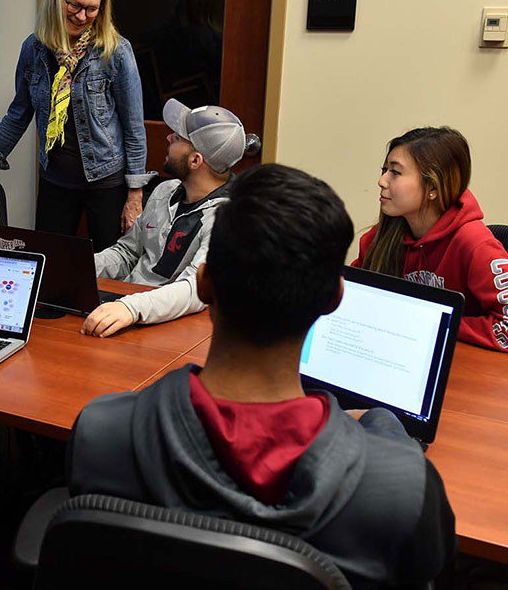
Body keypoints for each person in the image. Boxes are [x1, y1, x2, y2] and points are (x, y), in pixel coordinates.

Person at [68, 164, 457, 587]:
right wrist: (383, 427)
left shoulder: (101, 433)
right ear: (335, 298)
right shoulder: (403, 488)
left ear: (203, 284)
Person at [0, 0, 150, 252]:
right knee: (49, 265)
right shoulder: (34, 49)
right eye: (73, 5)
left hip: (106, 182)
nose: (81, 16)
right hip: (56, 181)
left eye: (92, 8)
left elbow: (133, 127)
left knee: (108, 273)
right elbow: (18, 114)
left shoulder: (116, 51)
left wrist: (135, 195)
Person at [81, 98, 258, 337]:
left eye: (177, 138)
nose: (168, 138)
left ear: (196, 160)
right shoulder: (166, 191)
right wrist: (76, 270)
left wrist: (132, 307)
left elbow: (193, 290)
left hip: (168, 323)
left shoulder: (230, 219)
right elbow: (128, 253)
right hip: (125, 307)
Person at [352, 127, 508, 352]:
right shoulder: (380, 238)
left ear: (432, 188)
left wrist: (434, 325)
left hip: (463, 370)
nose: (381, 181)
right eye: (385, 170)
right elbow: (355, 299)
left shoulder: (475, 245)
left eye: (395, 172)